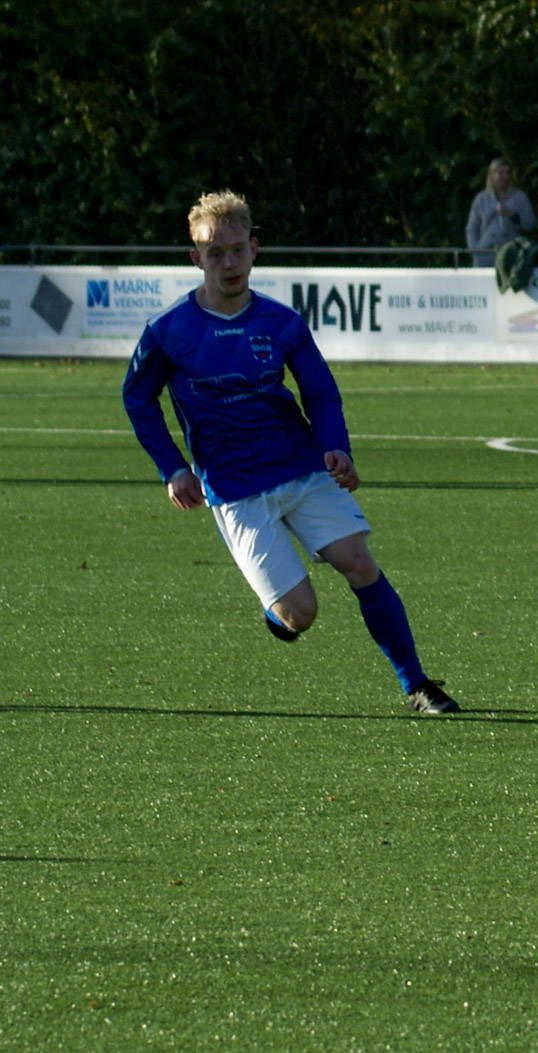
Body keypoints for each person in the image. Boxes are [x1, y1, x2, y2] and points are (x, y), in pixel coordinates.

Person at [122, 191, 460, 715]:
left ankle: (416, 684)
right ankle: (280, 611)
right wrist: (173, 468)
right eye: (216, 254)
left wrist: (336, 449)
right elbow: (137, 397)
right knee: (301, 614)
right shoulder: (168, 332)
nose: (229, 263)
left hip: (300, 468)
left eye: (237, 250)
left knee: (359, 563)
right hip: (234, 490)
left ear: (254, 249)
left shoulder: (281, 323)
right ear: (196, 259)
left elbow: (319, 393)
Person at [465, 156, 535, 267]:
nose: (505, 177)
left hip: (510, 254)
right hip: (485, 254)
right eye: (501, 173)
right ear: (492, 175)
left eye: (507, 173)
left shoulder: (519, 197)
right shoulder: (481, 199)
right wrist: (475, 250)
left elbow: (531, 224)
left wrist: (513, 215)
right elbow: (472, 228)